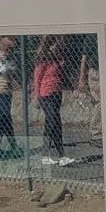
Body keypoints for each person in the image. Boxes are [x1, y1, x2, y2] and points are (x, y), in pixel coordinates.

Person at [32, 36, 75, 167]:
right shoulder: (44, 58)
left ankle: (50, 155)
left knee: (52, 123)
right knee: (53, 121)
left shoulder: (59, 57)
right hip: (46, 94)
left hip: (56, 92)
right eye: (55, 44)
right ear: (49, 45)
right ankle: (60, 155)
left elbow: (62, 75)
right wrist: (36, 95)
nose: (57, 47)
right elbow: (37, 77)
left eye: (58, 45)